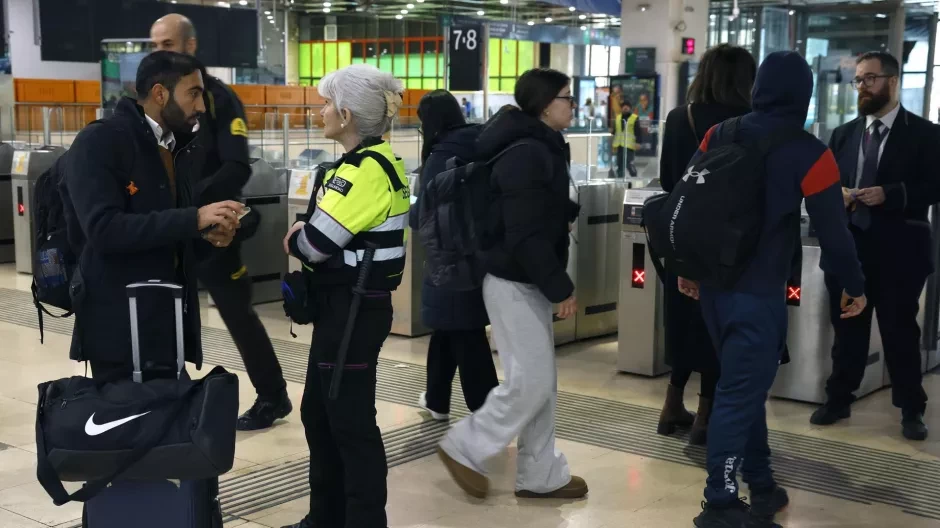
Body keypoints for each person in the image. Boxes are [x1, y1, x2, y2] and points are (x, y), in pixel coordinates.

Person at [678, 52, 867, 528]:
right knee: (739, 393)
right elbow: (835, 235)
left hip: (715, 291)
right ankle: (719, 505)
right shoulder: (811, 152)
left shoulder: (718, 133)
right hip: (758, 294)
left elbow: (689, 200)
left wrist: (688, 266)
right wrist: (855, 286)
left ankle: (760, 483)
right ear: (803, 95)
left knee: (744, 387)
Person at [437, 69, 587, 501]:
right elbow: (523, 234)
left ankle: (541, 474)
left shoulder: (539, 145)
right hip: (512, 280)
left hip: (525, 279)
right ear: (544, 105)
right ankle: (466, 446)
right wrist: (562, 287)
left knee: (543, 379)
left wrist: (565, 209)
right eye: (566, 97)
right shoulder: (527, 152)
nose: (571, 105)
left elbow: (535, 207)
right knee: (531, 380)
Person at [61, 51, 243, 380]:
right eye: (194, 93)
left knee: (168, 423)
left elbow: (168, 232)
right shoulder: (99, 141)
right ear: (160, 94)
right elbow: (103, 230)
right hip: (118, 326)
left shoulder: (178, 148)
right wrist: (192, 219)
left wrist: (206, 236)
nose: (201, 106)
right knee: (130, 426)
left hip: (165, 321)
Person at [280, 64, 407, 528]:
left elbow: (315, 244)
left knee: (349, 421)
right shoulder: (378, 161)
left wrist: (297, 235)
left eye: (327, 103)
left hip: (354, 309)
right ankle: (326, 517)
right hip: (347, 307)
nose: (321, 111)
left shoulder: (362, 172)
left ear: (347, 114)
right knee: (320, 412)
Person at [151, 13, 292, 432]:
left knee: (236, 312)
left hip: (213, 229)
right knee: (161, 309)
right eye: (155, 45)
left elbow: (236, 166)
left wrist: (199, 207)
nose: (160, 52)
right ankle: (168, 397)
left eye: (167, 44)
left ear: (190, 47)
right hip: (169, 225)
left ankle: (273, 396)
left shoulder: (217, 98)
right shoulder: (153, 98)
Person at [812, 51, 940, 441]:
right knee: (847, 329)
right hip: (851, 249)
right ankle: (839, 398)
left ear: (892, 81)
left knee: (899, 332)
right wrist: (841, 196)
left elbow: (934, 186)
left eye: (869, 79)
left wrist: (892, 194)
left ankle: (911, 408)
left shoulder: (926, 134)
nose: (862, 87)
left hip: (901, 250)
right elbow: (827, 185)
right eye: (858, 80)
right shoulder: (844, 134)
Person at [658, 44, 756, 445]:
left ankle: (671, 405)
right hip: (727, 245)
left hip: (682, 240)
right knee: (715, 327)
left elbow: (668, 180)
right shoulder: (749, 123)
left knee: (682, 322)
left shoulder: (681, 118)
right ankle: (705, 415)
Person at [411, 90, 499, 420]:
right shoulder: (480, 144)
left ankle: (489, 412)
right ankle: (436, 400)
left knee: (466, 333)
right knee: (449, 328)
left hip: (448, 257)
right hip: (477, 253)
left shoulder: (440, 156)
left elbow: (422, 216)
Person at [612, 97, 639, 178]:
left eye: (627, 106)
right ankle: (620, 179)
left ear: (630, 108)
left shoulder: (634, 118)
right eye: (624, 106)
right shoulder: (618, 117)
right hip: (619, 144)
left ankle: (634, 177)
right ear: (621, 108)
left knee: (629, 163)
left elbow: (638, 131)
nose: (625, 107)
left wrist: (638, 143)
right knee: (619, 164)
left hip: (629, 146)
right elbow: (615, 130)